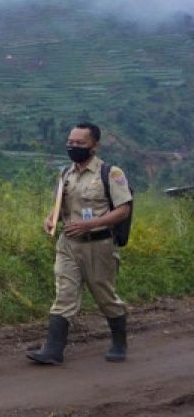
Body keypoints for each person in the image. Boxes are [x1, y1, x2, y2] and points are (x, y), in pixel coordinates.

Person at [28, 122, 132, 366]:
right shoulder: (65, 174)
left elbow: (123, 210)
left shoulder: (110, 173)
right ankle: (53, 350)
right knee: (64, 293)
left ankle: (119, 342)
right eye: (70, 142)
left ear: (94, 146)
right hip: (68, 244)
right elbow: (58, 208)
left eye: (80, 143)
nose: (73, 147)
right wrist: (50, 219)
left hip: (98, 245)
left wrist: (90, 224)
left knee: (104, 295)